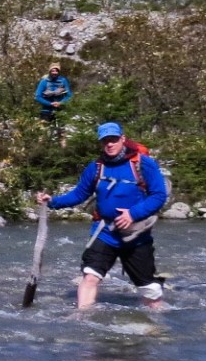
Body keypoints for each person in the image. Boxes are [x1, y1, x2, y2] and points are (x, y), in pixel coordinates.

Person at [36, 122, 168, 311]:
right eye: (105, 141)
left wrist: (133, 214)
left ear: (122, 139)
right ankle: (82, 319)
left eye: (113, 139)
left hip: (136, 235)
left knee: (149, 288)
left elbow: (159, 195)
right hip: (104, 231)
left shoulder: (143, 164)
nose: (109, 144)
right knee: (90, 276)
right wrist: (53, 201)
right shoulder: (96, 167)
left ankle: (158, 324)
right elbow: (79, 195)